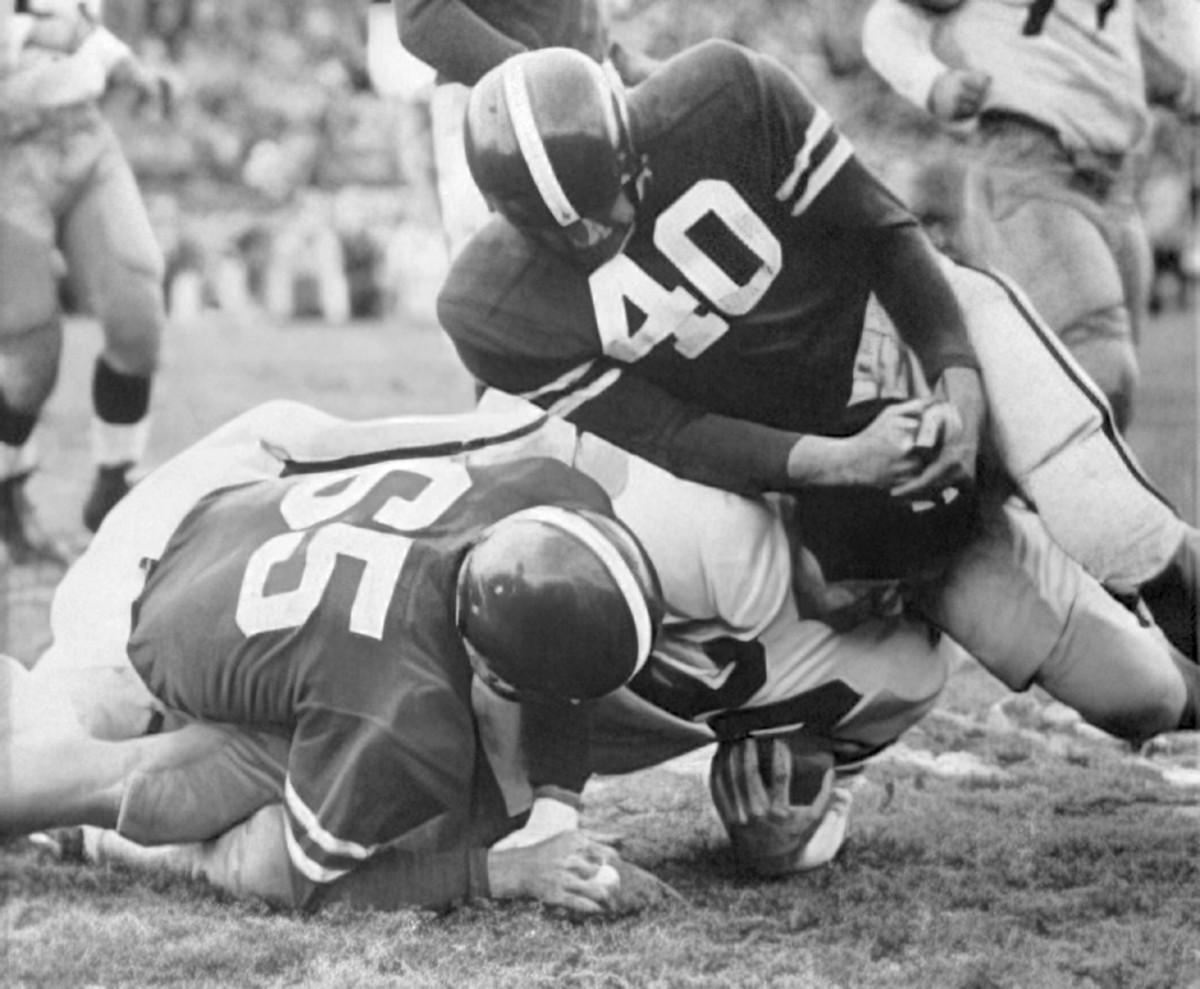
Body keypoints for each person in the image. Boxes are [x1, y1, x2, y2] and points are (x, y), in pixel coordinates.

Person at [6, 393, 1198, 909]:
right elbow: (299, 868)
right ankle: (56, 789)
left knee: (399, 784)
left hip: (341, 587)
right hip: (226, 523)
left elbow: (545, 645)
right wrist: (513, 862)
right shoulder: (662, 514)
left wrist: (783, 833)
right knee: (140, 772)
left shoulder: (890, 668)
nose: (881, 597)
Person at [437, 39, 1200, 662]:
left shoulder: (723, 99)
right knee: (1133, 696)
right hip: (830, 442)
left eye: (604, 204)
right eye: (563, 233)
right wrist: (842, 464)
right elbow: (673, 436)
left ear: (631, 142)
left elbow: (884, 234)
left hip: (914, 328)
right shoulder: (493, 310)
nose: (594, 236)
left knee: (1114, 527)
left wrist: (960, 389)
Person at [860, 0, 1200, 430]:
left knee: (1109, 385)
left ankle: (1017, 489)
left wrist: (1186, 84)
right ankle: (1025, 489)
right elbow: (890, 20)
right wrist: (932, 82)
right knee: (1098, 366)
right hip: (1029, 164)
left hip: (1117, 178)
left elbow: (1128, 50)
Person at [0, 0, 171, 565]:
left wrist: (123, 63)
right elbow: (51, 29)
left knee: (137, 312)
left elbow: (79, 24)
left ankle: (114, 484)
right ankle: (6, 492)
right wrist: (40, 30)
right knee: (30, 356)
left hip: (81, 131)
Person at [390, 0, 657, 258]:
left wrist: (611, 62)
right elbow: (422, 17)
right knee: (505, 283)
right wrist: (531, 78)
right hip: (496, 118)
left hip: (579, 108)